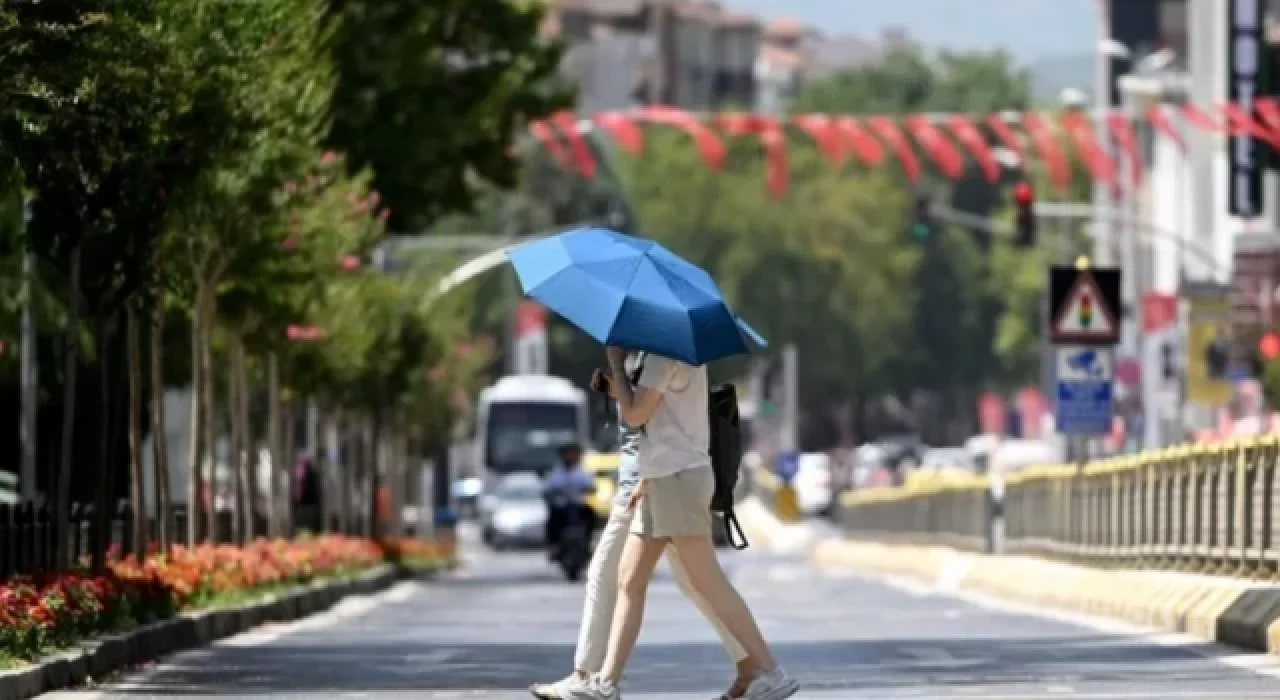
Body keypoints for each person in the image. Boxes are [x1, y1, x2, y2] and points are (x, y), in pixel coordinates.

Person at [567, 347, 798, 700]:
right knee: (629, 579)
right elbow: (658, 417)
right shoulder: (667, 355)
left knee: (707, 580)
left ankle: (770, 670)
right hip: (660, 477)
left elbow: (636, 415)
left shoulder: (664, 356)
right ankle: (606, 683)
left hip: (678, 477)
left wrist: (615, 362)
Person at [544, 443, 599, 553]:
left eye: (574, 454)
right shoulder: (556, 472)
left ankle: (587, 542)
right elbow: (547, 488)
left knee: (591, 514)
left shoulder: (583, 472)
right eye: (568, 454)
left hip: (578, 505)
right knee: (552, 520)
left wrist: (587, 489)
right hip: (562, 506)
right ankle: (554, 545)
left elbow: (592, 487)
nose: (570, 457)